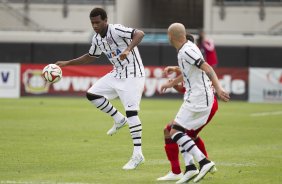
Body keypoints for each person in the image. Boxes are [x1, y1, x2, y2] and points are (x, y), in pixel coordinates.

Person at [55, 7, 145, 170]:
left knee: (132, 112)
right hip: (117, 73)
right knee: (92, 94)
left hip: (133, 73)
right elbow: (90, 56)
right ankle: (118, 119)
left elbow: (140, 34)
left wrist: (128, 49)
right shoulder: (97, 39)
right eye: (92, 23)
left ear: (105, 20)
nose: (95, 25)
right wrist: (67, 63)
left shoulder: (116, 29)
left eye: (97, 22)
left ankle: (137, 154)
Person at [159, 23, 230, 183]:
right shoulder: (188, 47)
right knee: (177, 131)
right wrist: (173, 79)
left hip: (199, 98)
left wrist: (218, 88)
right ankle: (190, 168)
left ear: (170, 37)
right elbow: (190, 69)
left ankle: (204, 162)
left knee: (175, 132)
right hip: (194, 97)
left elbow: (207, 68)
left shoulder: (186, 50)